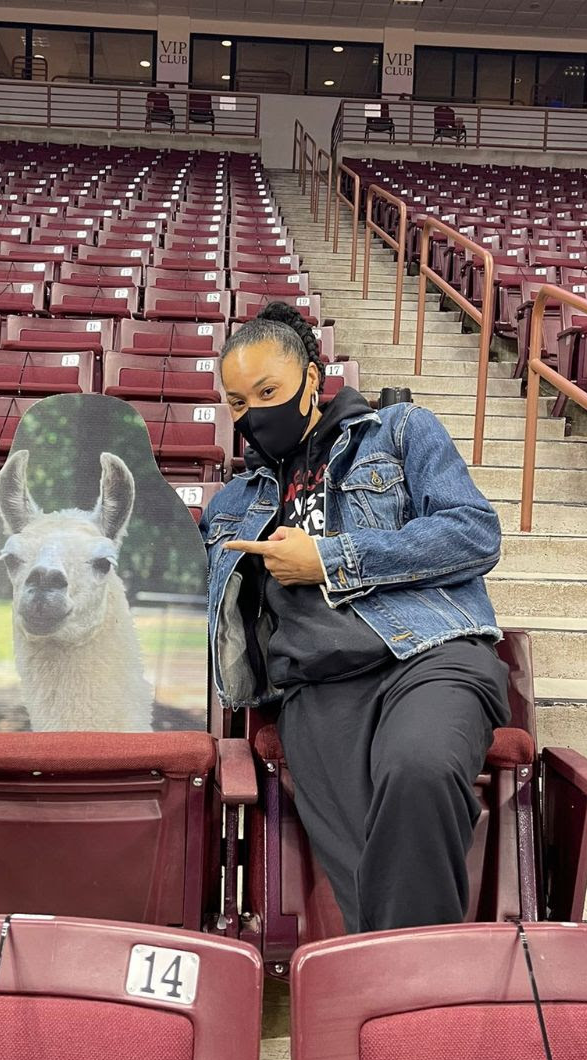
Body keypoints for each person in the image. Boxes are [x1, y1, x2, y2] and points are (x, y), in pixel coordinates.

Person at [201, 301, 510, 933]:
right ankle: (415, 1001)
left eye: (268, 392)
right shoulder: (235, 502)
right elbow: (160, 583)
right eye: (237, 403)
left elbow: (475, 534)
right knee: (360, 862)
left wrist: (332, 559)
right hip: (317, 689)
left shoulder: (398, 432)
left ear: (312, 379)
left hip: (429, 655)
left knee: (419, 769)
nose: (253, 414)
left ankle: (413, 1010)